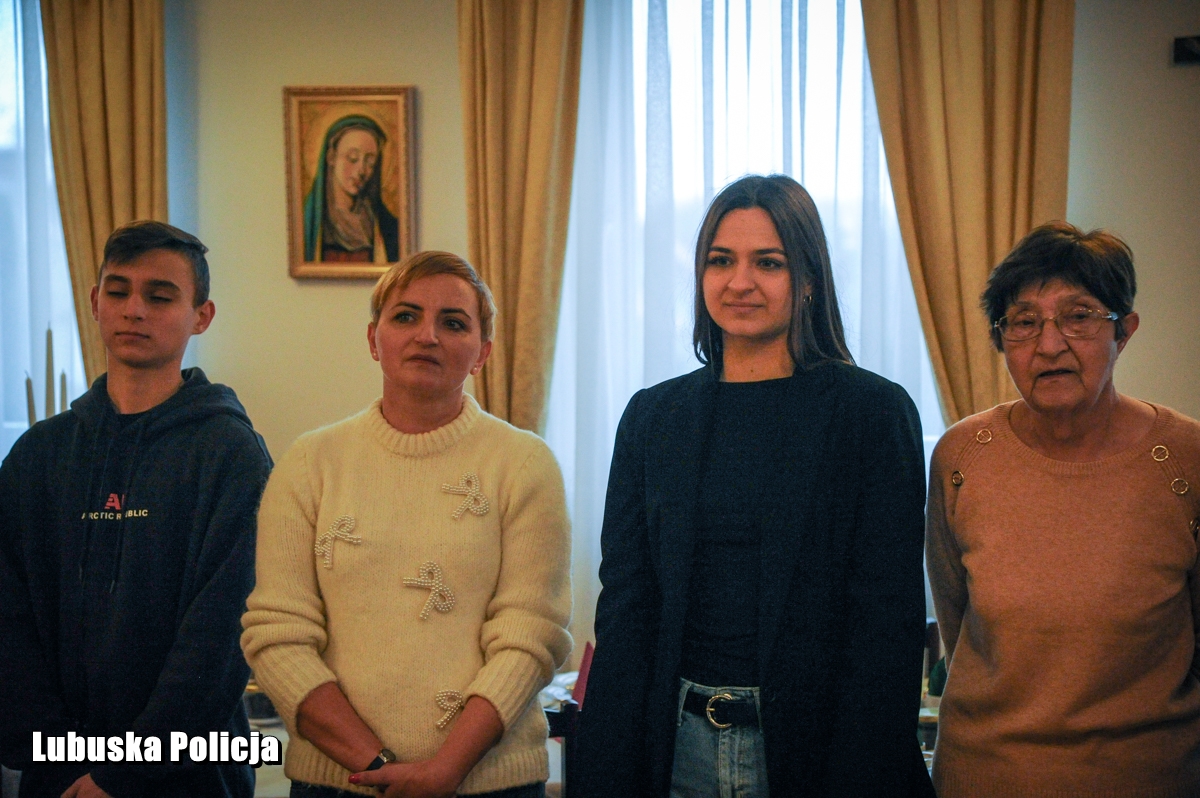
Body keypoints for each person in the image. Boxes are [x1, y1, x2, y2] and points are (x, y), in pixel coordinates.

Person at [574, 174, 933, 797]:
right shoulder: (653, 417)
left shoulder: (872, 413)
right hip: (673, 748)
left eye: (768, 262)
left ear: (809, 277)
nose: (739, 282)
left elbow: (886, 625)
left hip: (818, 752)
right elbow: (627, 610)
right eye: (721, 261)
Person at [241, 251, 571, 798]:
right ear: (374, 339)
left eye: (453, 323)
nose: (427, 336)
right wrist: (377, 766)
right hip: (337, 783)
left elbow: (530, 634)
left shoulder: (525, 464)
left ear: (483, 353)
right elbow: (277, 633)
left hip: (489, 785)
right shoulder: (309, 463)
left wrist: (444, 770)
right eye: (406, 316)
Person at [926, 221, 1200, 797]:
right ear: (1002, 340)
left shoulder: (1185, 458)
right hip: (983, 777)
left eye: (1079, 317)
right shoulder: (961, 457)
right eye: (1024, 322)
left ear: (1124, 332)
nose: (1049, 345)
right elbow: (957, 619)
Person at [0, 221, 272, 797]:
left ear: (202, 316)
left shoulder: (231, 453)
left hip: (190, 776)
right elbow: (9, 623)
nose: (134, 310)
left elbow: (222, 634)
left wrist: (124, 773)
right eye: (118, 291)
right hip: (58, 776)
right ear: (95, 302)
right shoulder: (38, 455)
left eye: (160, 296)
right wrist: (64, 762)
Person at [303, 114, 401, 263]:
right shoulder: (307, 222)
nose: (361, 170)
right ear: (331, 157)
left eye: (370, 162)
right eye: (352, 158)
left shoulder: (386, 226)